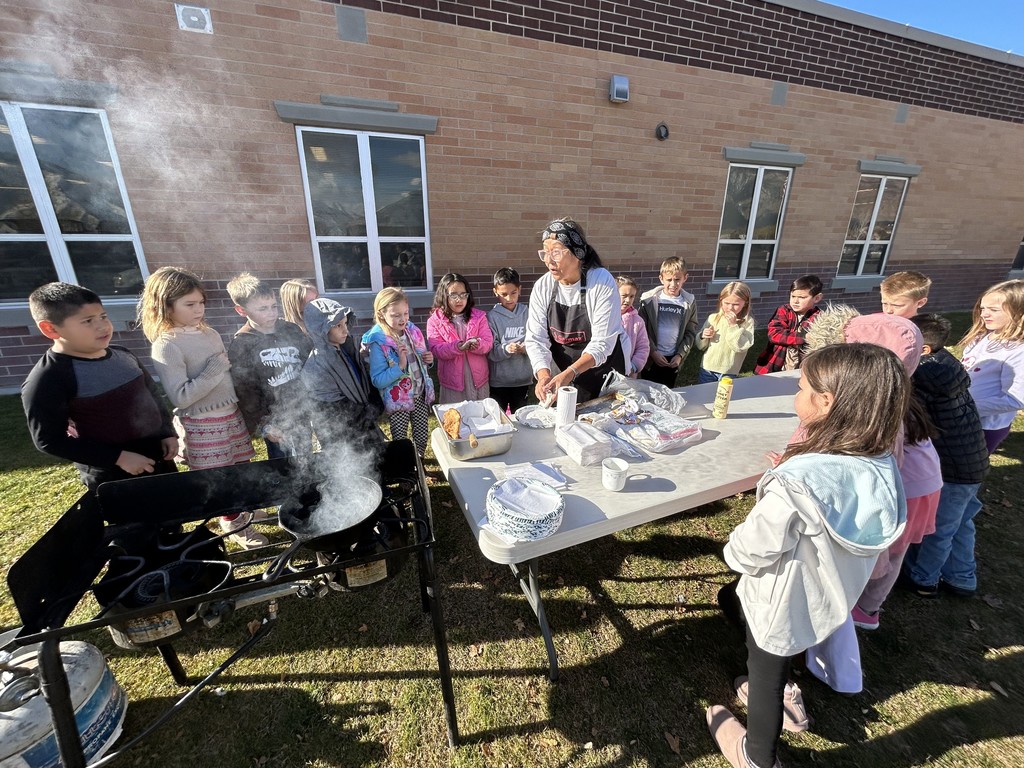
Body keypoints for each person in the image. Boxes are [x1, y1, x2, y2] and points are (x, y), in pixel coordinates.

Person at [707, 343, 908, 768]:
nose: (795, 395)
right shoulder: (880, 463)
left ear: (825, 401)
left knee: (766, 668)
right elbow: (833, 498)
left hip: (781, 600)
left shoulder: (798, 484)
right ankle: (784, 694)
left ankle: (757, 754)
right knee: (736, 603)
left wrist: (733, 548)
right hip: (826, 596)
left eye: (801, 387)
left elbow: (753, 546)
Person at [804, 308, 942, 631]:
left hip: (906, 488)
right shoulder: (891, 392)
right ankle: (867, 605)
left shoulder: (876, 414)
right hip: (920, 482)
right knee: (892, 551)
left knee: (886, 552)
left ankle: (864, 609)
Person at [140, 267, 263, 548]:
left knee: (240, 468)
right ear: (165, 305)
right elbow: (181, 396)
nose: (199, 310)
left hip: (230, 416)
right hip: (204, 425)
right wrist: (213, 370)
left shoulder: (210, 334)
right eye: (190, 304)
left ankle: (243, 506)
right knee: (219, 478)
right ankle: (233, 523)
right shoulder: (166, 346)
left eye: (201, 303)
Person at [21, 282, 178, 492]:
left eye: (103, 316)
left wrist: (166, 432)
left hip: (158, 456)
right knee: (137, 524)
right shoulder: (48, 379)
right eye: (87, 321)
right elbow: (49, 440)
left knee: (173, 514)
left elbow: (152, 394)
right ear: (50, 328)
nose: (102, 326)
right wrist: (119, 458)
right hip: (114, 474)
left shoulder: (124, 355)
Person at [901, 314, 989, 598]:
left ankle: (924, 580)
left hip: (952, 469)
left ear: (923, 349)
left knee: (937, 530)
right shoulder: (945, 365)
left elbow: (909, 421)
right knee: (960, 523)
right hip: (971, 463)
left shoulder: (924, 376)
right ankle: (962, 577)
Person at [525, 218, 629, 404]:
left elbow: (602, 343)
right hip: (560, 374)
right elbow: (536, 338)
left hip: (600, 375)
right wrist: (542, 375)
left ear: (577, 253)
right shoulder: (543, 286)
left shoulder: (600, 281)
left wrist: (571, 373)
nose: (549, 260)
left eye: (556, 252)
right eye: (545, 252)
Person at [226, 272, 312, 459]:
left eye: (274, 306)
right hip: (275, 419)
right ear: (241, 311)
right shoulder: (242, 344)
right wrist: (265, 424)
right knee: (283, 464)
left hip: (302, 409)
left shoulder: (291, 329)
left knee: (306, 458)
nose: (272, 313)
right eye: (263, 308)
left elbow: (308, 362)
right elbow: (245, 391)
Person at [302, 298, 385, 452]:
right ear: (321, 330)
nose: (345, 330)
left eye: (345, 323)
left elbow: (363, 378)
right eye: (338, 325)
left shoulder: (348, 349)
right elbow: (335, 409)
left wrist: (375, 400)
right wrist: (369, 412)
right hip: (342, 438)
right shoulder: (316, 366)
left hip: (366, 426)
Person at [363, 287, 435, 458]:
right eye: (396, 315)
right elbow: (377, 380)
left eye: (405, 313)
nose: (403, 319)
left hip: (419, 393)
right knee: (401, 440)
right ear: (382, 315)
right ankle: (406, 475)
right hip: (398, 401)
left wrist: (428, 361)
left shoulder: (413, 331)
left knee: (421, 434)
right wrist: (400, 366)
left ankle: (420, 467)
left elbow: (420, 364)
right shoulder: (379, 343)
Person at [958, 279, 1024, 455]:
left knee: (964, 475)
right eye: (982, 309)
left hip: (985, 426)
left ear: (1019, 312)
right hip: (959, 417)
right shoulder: (983, 337)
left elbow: (1017, 399)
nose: (984, 314)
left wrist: (967, 408)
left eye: (993, 310)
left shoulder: (1019, 351)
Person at [427, 272, 494, 404]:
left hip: (478, 380)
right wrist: (458, 347)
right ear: (443, 295)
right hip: (452, 383)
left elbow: (488, 342)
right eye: (454, 295)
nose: (459, 299)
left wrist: (478, 344)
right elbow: (436, 349)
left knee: (481, 417)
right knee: (456, 418)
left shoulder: (479, 317)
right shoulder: (435, 321)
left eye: (463, 295)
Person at [639, 256, 697, 388]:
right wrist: (653, 352)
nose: (673, 284)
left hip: (672, 359)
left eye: (677, 280)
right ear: (661, 279)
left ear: (685, 278)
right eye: (669, 280)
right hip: (650, 359)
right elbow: (641, 331)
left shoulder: (688, 302)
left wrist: (679, 355)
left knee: (667, 392)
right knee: (649, 392)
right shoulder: (648, 301)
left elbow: (690, 332)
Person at [754, 275, 823, 374]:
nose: (795, 301)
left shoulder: (818, 318)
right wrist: (803, 337)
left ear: (817, 298)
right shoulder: (784, 310)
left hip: (800, 366)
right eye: (793, 296)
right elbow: (775, 334)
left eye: (802, 297)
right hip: (773, 364)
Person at [487, 268, 533, 412]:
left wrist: (526, 348)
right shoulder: (492, 317)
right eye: (504, 294)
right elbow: (491, 350)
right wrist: (506, 349)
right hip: (499, 382)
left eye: (513, 293)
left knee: (520, 417)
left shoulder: (528, 313)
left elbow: (536, 340)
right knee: (498, 419)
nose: (509, 298)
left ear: (519, 289)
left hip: (523, 380)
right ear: (495, 292)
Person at [696, 281, 755, 384]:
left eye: (736, 304)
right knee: (705, 396)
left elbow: (740, 347)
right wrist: (703, 336)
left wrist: (733, 326)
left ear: (745, 303)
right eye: (727, 303)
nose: (730, 307)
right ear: (721, 300)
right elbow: (701, 346)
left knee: (723, 397)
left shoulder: (747, 322)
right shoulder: (714, 318)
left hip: (729, 371)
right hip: (708, 368)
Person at [616, 275, 650, 377]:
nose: (628, 300)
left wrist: (634, 366)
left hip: (627, 374)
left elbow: (643, 347)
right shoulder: (604, 317)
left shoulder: (637, 322)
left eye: (631, 296)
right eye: (624, 295)